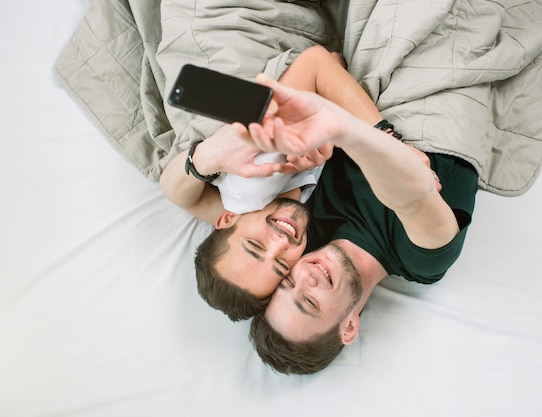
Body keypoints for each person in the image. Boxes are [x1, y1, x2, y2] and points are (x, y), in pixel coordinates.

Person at [246, 73, 479, 374]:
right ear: (348, 328)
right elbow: (413, 193)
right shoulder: (421, 259)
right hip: (443, 83)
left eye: (288, 282)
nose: (305, 276)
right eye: (309, 302)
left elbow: (316, 70)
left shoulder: (304, 227)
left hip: (374, 69)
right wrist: (351, 129)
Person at [160, 46, 406, 320]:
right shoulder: (277, 209)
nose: (281, 242)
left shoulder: (255, 183)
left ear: (226, 219)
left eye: (255, 246)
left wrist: (388, 143)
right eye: (280, 265)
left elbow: (319, 62)